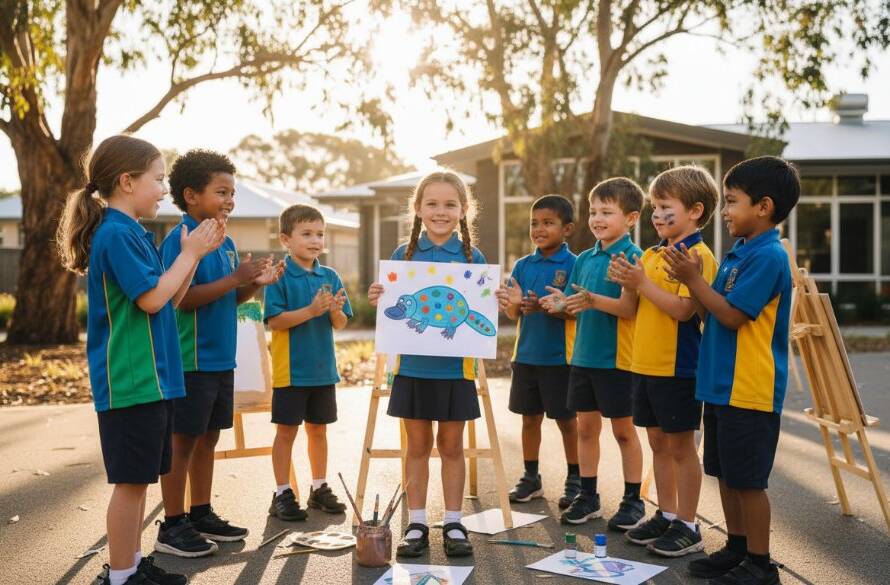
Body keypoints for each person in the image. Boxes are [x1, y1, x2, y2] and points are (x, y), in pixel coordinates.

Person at [58, 134, 224, 585]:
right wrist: (189, 254)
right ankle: (122, 576)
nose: (164, 189)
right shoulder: (116, 233)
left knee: (140, 480)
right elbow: (151, 299)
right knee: (131, 484)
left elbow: (169, 300)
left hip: (152, 379)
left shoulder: (131, 232)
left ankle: (129, 566)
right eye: (158, 179)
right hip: (132, 379)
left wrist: (193, 260)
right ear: (127, 182)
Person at [663, 156, 800, 585]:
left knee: (748, 481)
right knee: (724, 472)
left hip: (749, 387)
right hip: (720, 385)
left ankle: (761, 563)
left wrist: (695, 280)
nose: (724, 211)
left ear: (764, 206)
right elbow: (710, 312)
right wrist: (692, 282)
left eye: (732, 201)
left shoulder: (768, 256)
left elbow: (734, 316)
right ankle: (738, 547)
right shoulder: (738, 253)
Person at [156, 150, 283, 557]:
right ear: (191, 195)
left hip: (220, 359)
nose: (229, 200)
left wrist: (254, 282)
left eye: (232, 193)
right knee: (182, 442)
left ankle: (200, 512)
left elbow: (230, 297)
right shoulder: (181, 240)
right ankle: (172, 523)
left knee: (208, 438)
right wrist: (234, 278)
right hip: (190, 359)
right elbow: (182, 299)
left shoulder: (225, 241)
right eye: (221, 192)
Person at [367, 170, 485, 558]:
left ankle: (453, 522)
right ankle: (416, 523)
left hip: (455, 371)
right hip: (412, 369)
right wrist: (379, 296)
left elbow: (479, 308)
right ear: (417, 208)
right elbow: (393, 308)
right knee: (417, 447)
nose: (440, 211)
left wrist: (496, 299)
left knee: (452, 447)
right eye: (432, 204)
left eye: (449, 204)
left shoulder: (473, 258)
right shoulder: (404, 255)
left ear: (464, 210)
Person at [609, 165, 718, 557]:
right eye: (654, 207)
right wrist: (629, 281)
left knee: (681, 446)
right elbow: (634, 307)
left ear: (695, 211)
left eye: (665, 206)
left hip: (678, 367)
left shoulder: (698, 256)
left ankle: (688, 525)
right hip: (645, 365)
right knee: (657, 442)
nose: (656, 215)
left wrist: (641, 283)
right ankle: (668, 513)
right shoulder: (652, 254)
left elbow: (685, 310)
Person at [539, 178, 647, 531]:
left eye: (607, 212)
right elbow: (576, 305)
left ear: (631, 218)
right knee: (586, 430)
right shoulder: (585, 258)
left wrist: (591, 300)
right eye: (594, 211)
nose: (597, 219)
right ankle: (588, 496)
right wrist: (561, 303)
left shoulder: (634, 257)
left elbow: (628, 309)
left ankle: (633, 500)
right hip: (583, 357)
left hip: (617, 360)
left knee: (624, 432)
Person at [265, 204, 352, 521]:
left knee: (318, 430)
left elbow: (341, 323)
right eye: (307, 234)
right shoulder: (279, 275)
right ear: (286, 239)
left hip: (322, 371)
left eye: (320, 234)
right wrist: (311, 311)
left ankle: (318, 487)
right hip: (291, 372)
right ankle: (282, 492)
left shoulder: (330, 276)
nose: (315, 240)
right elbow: (275, 321)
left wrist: (333, 312)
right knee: (286, 432)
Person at [494, 194, 581, 509]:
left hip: (560, 359)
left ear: (567, 229)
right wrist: (515, 304)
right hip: (526, 356)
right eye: (534, 223)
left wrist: (548, 307)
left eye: (548, 223)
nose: (539, 229)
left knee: (566, 421)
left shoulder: (575, 264)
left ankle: (576, 478)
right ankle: (531, 478)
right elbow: (512, 312)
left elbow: (574, 311)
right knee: (529, 419)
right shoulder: (522, 265)